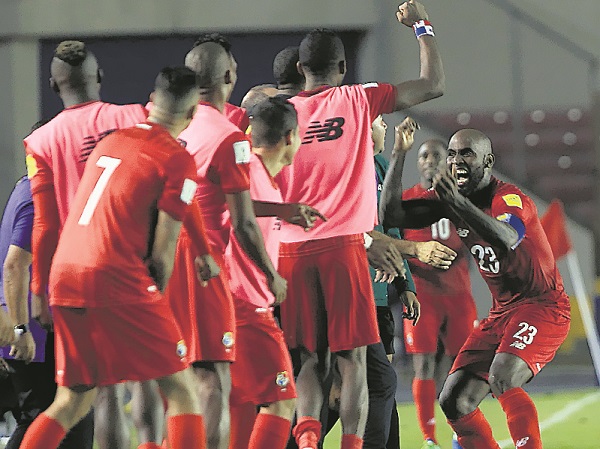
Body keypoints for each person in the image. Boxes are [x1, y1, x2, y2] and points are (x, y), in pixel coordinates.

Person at [277, 3, 444, 448]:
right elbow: (432, 85)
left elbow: (250, 104)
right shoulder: (357, 99)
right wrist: (421, 26)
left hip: (291, 254)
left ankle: (309, 437)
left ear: (299, 68)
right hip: (345, 250)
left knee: (308, 362)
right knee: (353, 363)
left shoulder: (280, 114)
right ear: (344, 67)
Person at [18, 66, 208, 449]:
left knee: (73, 399)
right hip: (114, 274)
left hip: (65, 274)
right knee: (182, 388)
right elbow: (162, 252)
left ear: (151, 103)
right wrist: (158, 305)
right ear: (191, 116)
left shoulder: (111, 140)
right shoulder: (176, 158)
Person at [381, 128, 571, 449]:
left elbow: (509, 238)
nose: (457, 162)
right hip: (502, 312)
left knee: (502, 376)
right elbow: (391, 214)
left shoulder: (509, 197)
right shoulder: (451, 200)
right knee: (454, 400)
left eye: (466, 154)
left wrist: (457, 203)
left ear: (488, 161)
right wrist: (399, 153)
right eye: (453, 155)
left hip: (543, 306)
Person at [174, 40, 321, 449]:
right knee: (273, 397)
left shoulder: (181, 126)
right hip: (227, 288)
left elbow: (223, 201)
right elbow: (241, 221)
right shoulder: (231, 141)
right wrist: (271, 277)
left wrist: (282, 210)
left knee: (204, 391)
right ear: (228, 77)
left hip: (176, 273)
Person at [22, 40, 160, 449]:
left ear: (53, 85)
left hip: (78, 272)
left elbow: (45, 225)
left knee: (105, 390)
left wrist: (39, 293)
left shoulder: (40, 142)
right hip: (134, 265)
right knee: (151, 378)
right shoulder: (135, 117)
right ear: (99, 77)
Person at [226, 96, 314, 449]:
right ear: (291, 137)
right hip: (247, 305)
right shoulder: (252, 173)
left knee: (240, 403)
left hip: (227, 302)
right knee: (282, 399)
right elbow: (238, 216)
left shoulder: (251, 170)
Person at [0, 174, 95, 449]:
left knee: (54, 418)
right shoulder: (38, 196)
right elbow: (15, 265)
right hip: (33, 331)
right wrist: (21, 329)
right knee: (55, 418)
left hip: (31, 326)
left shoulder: (25, 188)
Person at [400, 139, 477, 449]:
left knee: (458, 367)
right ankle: (430, 438)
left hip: (458, 296)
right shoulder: (406, 201)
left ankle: (459, 432)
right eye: (424, 155)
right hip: (423, 297)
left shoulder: (461, 200)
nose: (429, 160)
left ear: (447, 161)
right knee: (424, 365)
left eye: (436, 155)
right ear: (417, 163)